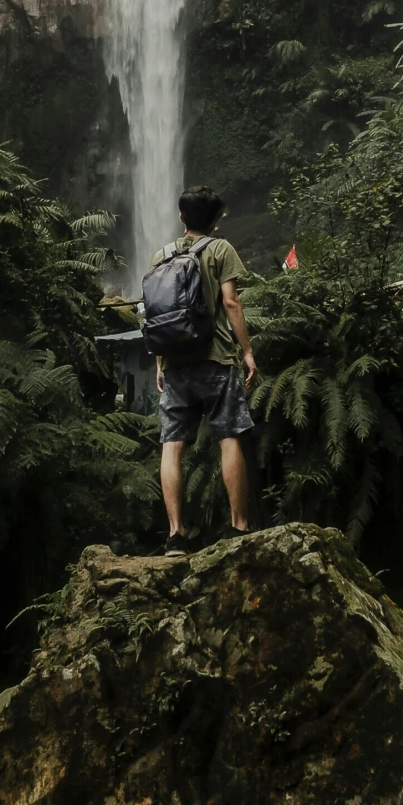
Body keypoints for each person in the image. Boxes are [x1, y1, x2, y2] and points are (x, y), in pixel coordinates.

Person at [149, 184, 257, 554]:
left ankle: (176, 535)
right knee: (228, 436)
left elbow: (157, 315)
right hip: (215, 359)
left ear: (181, 217)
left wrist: (160, 364)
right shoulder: (220, 249)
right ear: (214, 220)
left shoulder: (160, 256)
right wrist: (247, 352)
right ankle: (239, 526)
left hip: (176, 365)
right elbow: (231, 302)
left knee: (171, 446)